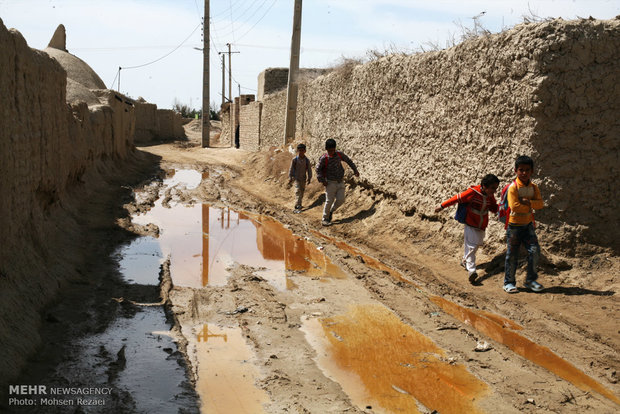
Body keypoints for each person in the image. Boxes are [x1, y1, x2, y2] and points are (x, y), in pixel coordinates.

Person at [435, 174, 500, 285]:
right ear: (484, 186)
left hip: (481, 225)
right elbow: (456, 198)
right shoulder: (472, 192)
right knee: (472, 246)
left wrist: (503, 209)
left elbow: (493, 207)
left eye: (495, 188)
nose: (494, 191)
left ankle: (465, 261)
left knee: (476, 245)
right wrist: (442, 206)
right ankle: (471, 271)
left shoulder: (490, 196)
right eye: (492, 188)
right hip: (470, 223)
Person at [503, 155, 544, 293]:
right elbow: (514, 206)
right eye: (521, 170)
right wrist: (530, 204)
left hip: (528, 225)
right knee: (512, 254)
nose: (524, 173)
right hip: (514, 226)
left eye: (527, 170)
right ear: (515, 171)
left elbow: (540, 204)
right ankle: (509, 282)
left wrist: (527, 202)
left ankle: (530, 280)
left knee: (535, 251)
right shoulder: (513, 188)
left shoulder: (534, 187)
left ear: (532, 171)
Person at [316, 139, 359, 226]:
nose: (332, 152)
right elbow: (318, 169)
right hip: (330, 183)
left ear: (335, 148)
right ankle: (325, 219)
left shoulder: (339, 154)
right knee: (329, 200)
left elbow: (348, 161)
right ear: (326, 149)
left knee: (341, 200)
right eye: (330, 150)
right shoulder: (324, 158)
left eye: (333, 150)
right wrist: (322, 180)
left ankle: (331, 211)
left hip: (340, 181)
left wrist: (355, 170)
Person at [288, 143, 312, 211]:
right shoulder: (294, 160)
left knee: (302, 191)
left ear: (305, 151)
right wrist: (290, 176)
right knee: (297, 191)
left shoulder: (307, 160)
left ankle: (300, 203)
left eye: (302, 150)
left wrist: (309, 178)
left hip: (303, 178)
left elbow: (309, 170)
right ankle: (297, 205)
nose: (301, 152)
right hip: (297, 178)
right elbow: (291, 168)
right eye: (299, 150)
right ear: (297, 151)